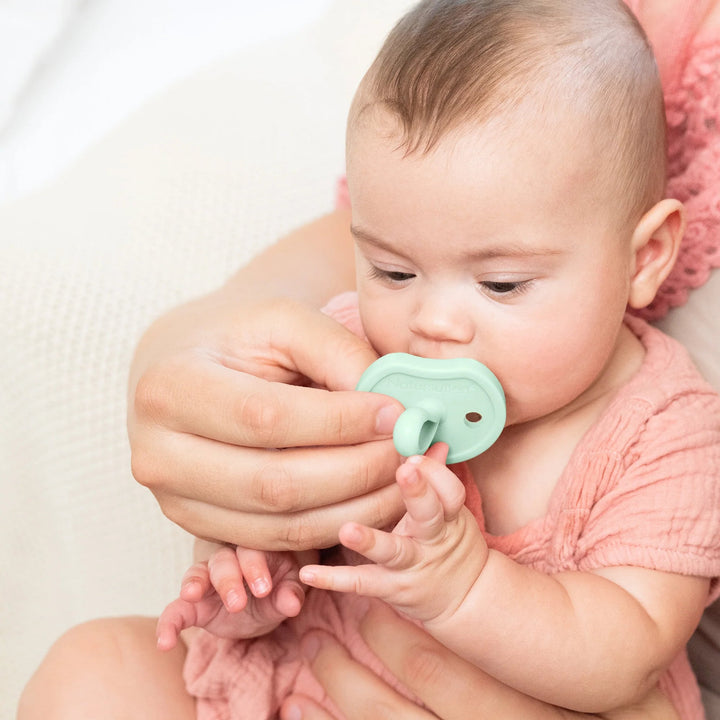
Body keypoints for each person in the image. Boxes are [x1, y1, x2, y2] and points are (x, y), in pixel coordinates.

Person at [17, 1, 720, 719]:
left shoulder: (665, 429)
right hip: (295, 686)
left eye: (501, 284)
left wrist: (466, 585)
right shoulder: (353, 353)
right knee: (94, 669)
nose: (433, 322)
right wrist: (246, 573)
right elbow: (275, 495)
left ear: (644, 259)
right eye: (393, 270)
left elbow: (625, 653)